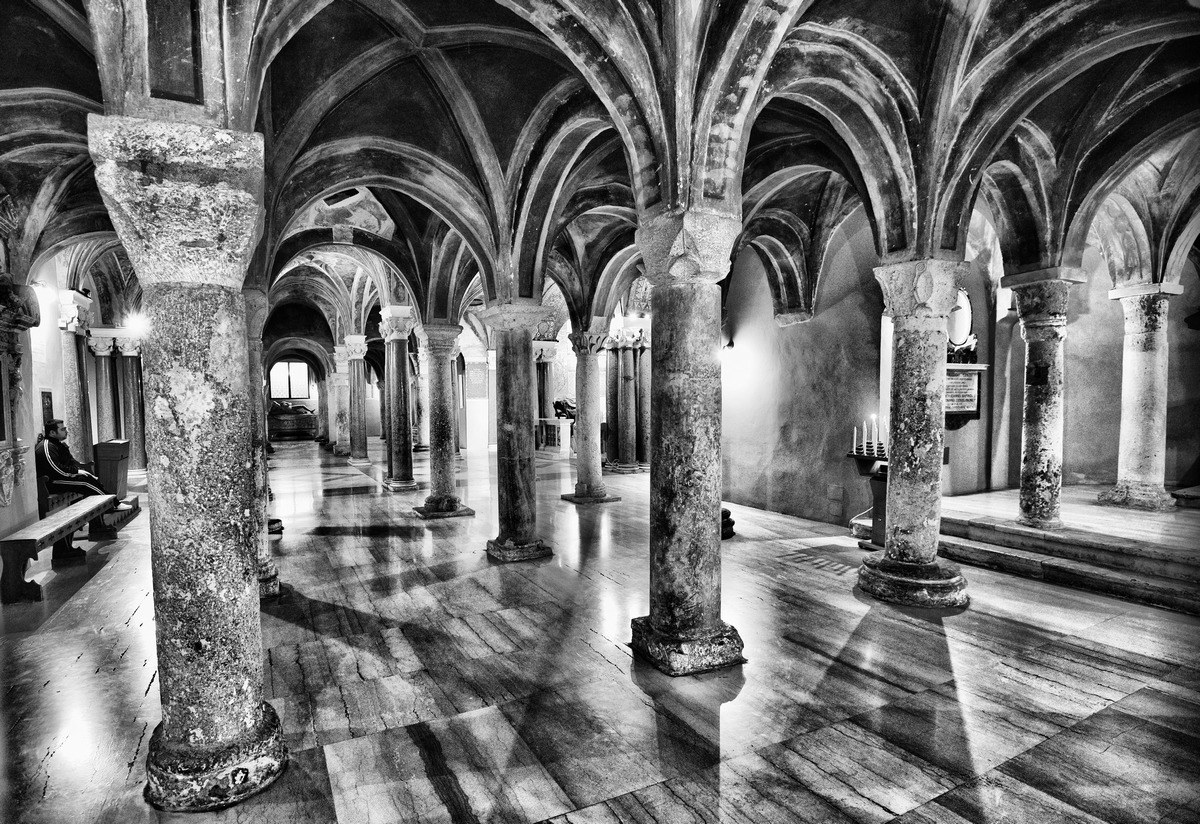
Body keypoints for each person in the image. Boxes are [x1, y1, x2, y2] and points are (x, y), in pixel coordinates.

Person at [36, 419, 131, 507]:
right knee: (85, 484)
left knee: (89, 479)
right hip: (52, 483)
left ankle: (100, 522)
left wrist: (78, 472)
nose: (66, 431)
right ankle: (112, 505)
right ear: (52, 432)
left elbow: (70, 461)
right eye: (62, 429)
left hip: (62, 478)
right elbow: (55, 469)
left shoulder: (59, 444)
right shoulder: (47, 446)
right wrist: (75, 472)